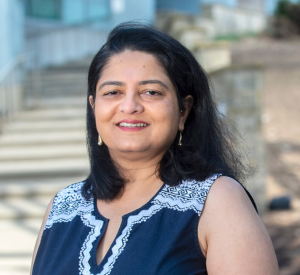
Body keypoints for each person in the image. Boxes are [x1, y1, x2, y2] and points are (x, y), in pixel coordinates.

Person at [31, 22, 279, 275]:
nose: (129, 106)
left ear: (183, 111)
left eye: (151, 92)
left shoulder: (217, 202)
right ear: (93, 107)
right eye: (113, 92)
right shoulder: (61, 208)